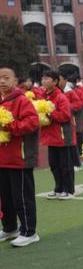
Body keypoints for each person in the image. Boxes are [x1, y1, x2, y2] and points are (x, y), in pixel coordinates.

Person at [0, 65, 40, 247]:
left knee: (22, 197)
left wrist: (9, 125)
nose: (2, 81)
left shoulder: (21, 100)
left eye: (6, 77)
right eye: (0, 78)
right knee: (5, 197)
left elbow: (32, 123)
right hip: (2, 159)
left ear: (15, 81)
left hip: (19, 159)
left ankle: (29, 231)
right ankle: (9, 228)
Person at [41, 70, 76, 200]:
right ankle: (58, 188)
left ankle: (69, 190)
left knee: (65, 165)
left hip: (62, 137)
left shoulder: (61, 97)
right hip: (50, 137)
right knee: (54, 165)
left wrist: (50, 113)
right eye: (43, 78)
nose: (44, 81)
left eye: (47, 78)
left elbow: (66, 116)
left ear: (55, 82)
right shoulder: (44, 97)